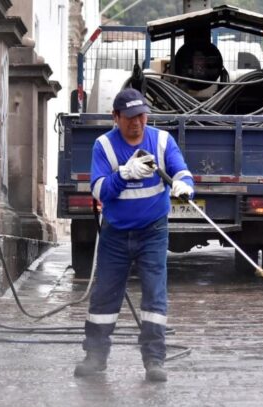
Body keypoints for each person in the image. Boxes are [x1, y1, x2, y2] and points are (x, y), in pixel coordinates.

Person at [74, 88, 195, 382]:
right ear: (116, 118)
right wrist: (124, 174)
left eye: (141, 116)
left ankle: (155, 359)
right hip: (115, 234)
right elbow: (99, 190)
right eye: (129, 117)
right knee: (104, 296)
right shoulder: (104, 146)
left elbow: (180, 171)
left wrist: (184, 185)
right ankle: (95, 356)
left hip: (153, 231)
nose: (136, 123)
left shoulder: (162, 141)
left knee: (155, 294)